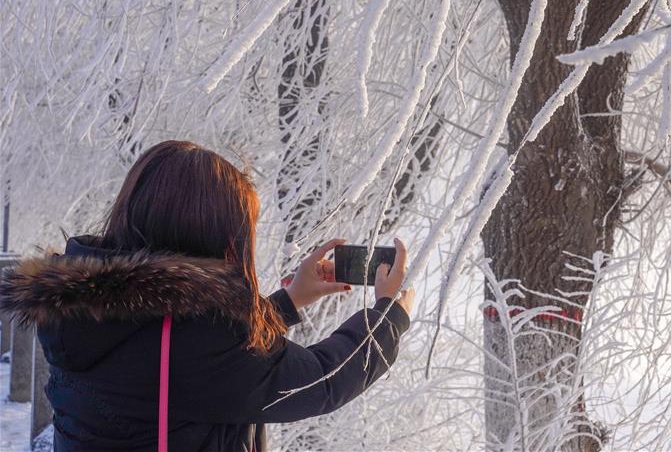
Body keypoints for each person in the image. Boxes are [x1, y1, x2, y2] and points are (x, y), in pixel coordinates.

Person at [0, 140, 415, 451]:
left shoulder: (81, 305)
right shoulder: (196, 346)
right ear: (216, 234)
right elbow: (321, 381)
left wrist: (290, 301)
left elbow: (169, 354)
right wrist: (388, 316)